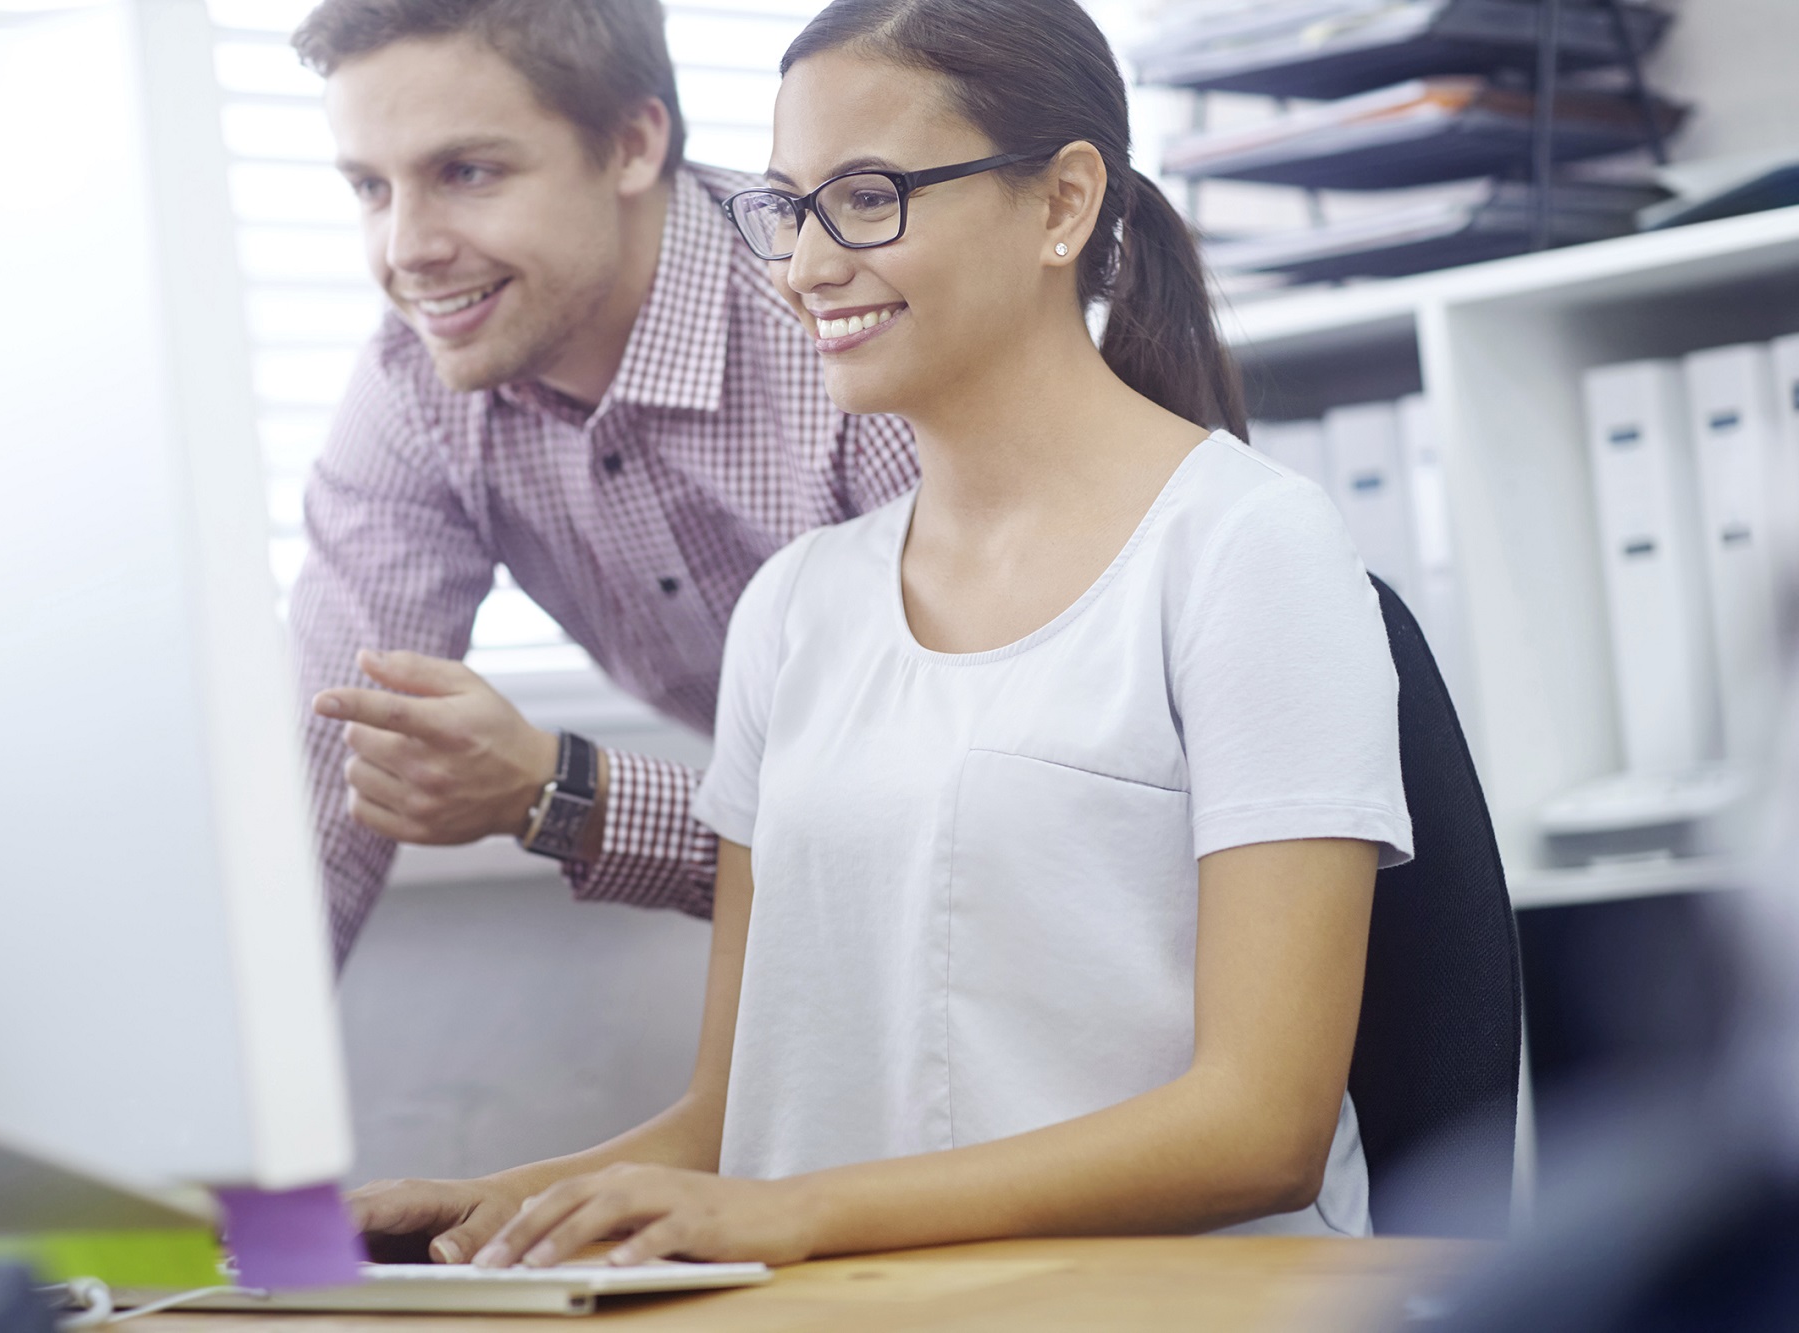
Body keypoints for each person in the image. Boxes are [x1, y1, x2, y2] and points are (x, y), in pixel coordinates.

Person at [347, 0, 1413, 1264]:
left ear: (1062, 205)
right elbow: (735, 1115)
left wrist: (793, 1213)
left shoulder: (1247, 547)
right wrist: (500, 1202)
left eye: (864, 199)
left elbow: (1258, 1126)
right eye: (787, 209)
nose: (802, 266)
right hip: (870, 1299)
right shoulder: (793, 608)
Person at [289, 0, 918, 963]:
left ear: (631, 143)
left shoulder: (849, 332)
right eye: (371, 188)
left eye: (467, 172)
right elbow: (324, 792)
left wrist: (562, 789)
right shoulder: (414, 387)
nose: (406, 250)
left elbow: (955, 833)